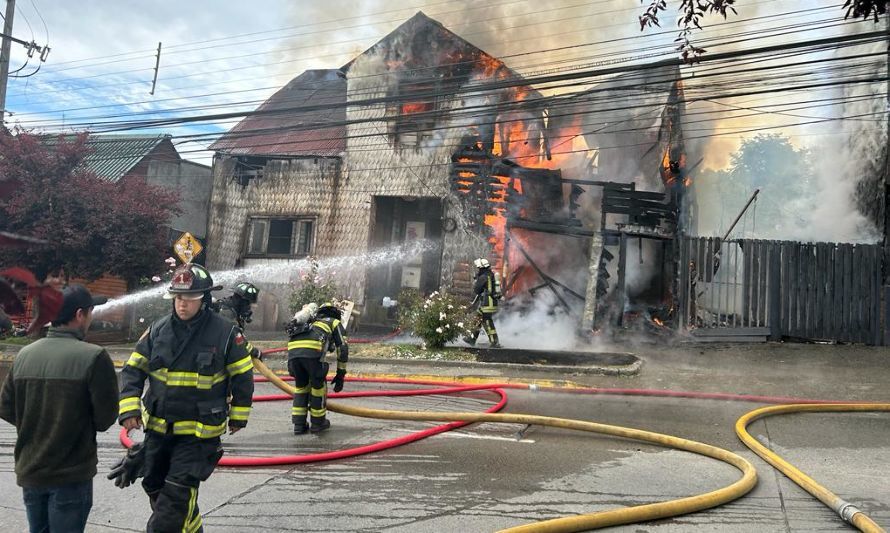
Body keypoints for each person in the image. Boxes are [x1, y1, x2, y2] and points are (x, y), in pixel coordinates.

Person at [118, 263, 254, 533]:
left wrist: (239, 415)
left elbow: (242, 376)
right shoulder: (158, 330)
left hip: (198, 435)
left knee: (174, 502)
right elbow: (133, 369)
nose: (183, 305)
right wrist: (130, 407)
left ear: (204, 299)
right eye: (178, 298)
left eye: (190, 299)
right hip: (158, 430)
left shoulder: (225, 332)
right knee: (154, 486)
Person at [0, 284, 117, 533]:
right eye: (89, 311)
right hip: (70, 476)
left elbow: (6, 407)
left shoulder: (24, 355)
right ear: (79, 315)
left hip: (31, 472)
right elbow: (105, 418)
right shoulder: (94, 357)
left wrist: (36, 421)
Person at [286, 302, 348, 434]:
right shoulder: (333, 322)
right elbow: (342, 348)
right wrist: (340, 375)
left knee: (301, 387)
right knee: (318, 386)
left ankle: (299, 425)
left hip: (293, 354)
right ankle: (318, 423)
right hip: (312, 354)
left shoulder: (311, 322)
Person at [212, 281, 262, 359]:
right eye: (249, 306)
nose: (249, 310)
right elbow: (237, 340)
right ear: (243, 302)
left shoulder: (230, 310)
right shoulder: (227, 314)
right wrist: (254, 352)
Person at [464, 258, 501, 348]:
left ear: (481, 268)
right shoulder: (490, 274)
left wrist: (477, 280)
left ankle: (494, 342)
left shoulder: (483, 277)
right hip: (490, 302)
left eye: (478, 268)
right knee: (478, 319)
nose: (478, 269)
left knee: (487, 321)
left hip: (487, 303)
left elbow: (477, 290)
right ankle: (471, 339)